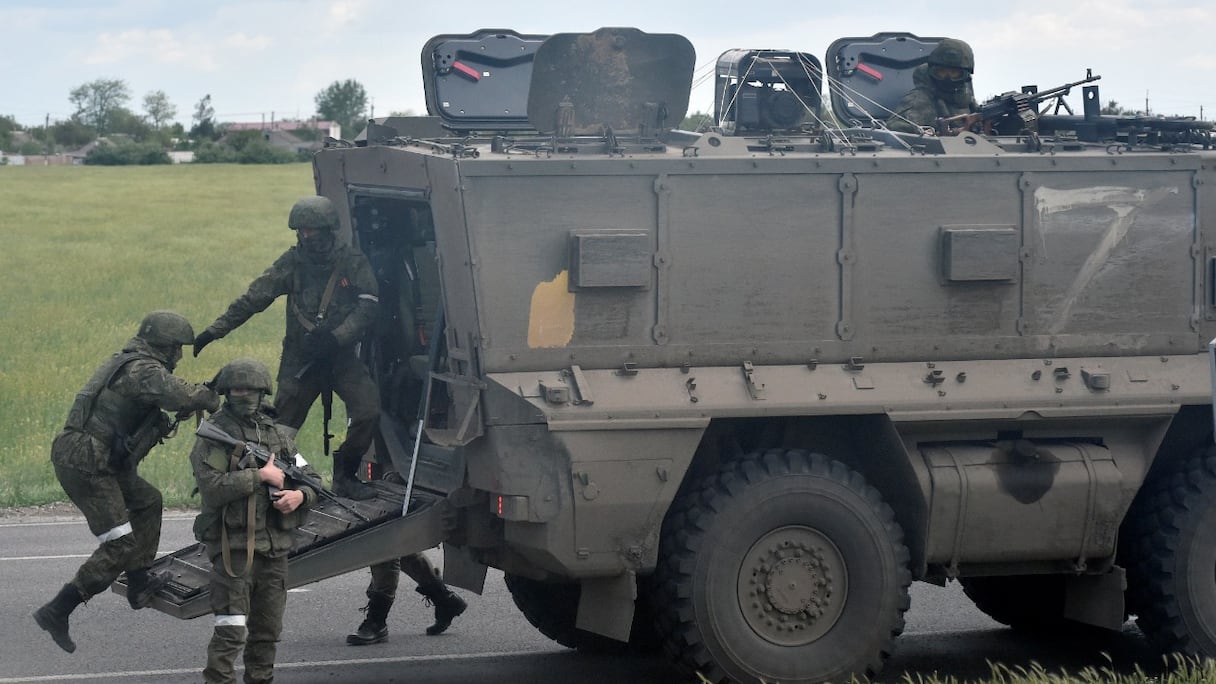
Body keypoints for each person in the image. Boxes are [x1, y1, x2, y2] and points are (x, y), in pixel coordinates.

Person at [33, 310, 221, 654]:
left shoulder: (130, 362)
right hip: (89, 461)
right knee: (119, 545)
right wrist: (209, 394)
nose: (179, 355)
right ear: (163, 345)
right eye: (177, 348)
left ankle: (138, 582)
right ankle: (58, 609)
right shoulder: (142, 369)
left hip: (95, 457)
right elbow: (186, 396)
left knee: (148, 501)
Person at [192, 195, 380, 501]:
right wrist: (215, 331)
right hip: (301, 360)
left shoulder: (352, 262)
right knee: (280, 429)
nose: (305, 237)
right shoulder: (292, 263)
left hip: (341, 357)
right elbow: (254, 298)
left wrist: (337, 337)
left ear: (328, 230)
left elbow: (368, 306)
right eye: (300, 231)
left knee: (368, 411)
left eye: (311, 231)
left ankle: (345, 474)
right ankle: (281, 484)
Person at [189, 357, 319, 684]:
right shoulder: (216, 436)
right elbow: (212, 488)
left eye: (249, 389)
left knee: (267, 633)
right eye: (235, 389)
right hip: (235, 549)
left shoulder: (277, 435)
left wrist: (299, 496)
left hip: (274, 552)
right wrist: (259, 475)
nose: (242, 395)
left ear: (263, 393)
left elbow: (312, 478)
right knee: (231, 632)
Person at [346, 470, 467, 645]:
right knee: (396, 543)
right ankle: (444, 599)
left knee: (385, 542)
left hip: (411, 468)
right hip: (399, 466)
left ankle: (377, 621)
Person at [885, 38, 979, 133]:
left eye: (954, 73)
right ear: (931, 72)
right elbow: (895, 128)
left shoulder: (966, 99)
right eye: (942, 72)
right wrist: (932, 134)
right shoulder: (920, 99)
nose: (947, 78)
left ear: (965, 76)